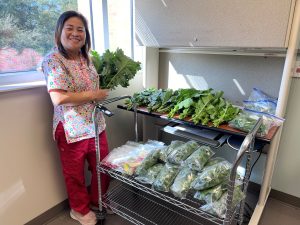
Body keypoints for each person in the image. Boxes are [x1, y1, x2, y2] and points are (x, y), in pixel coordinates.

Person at [42, 10, 111, 225]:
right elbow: (59, 98)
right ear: (59, 32)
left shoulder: (86, 57)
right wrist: (94, 95)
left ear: (86, 35)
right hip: (71, 128)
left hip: (95, 123)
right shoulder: (53, 60)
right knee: (75, 174)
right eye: (69, 28)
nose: (75, 33)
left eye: (80, 29)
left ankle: (96, 200)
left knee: (104, 166)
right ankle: (79, 210)